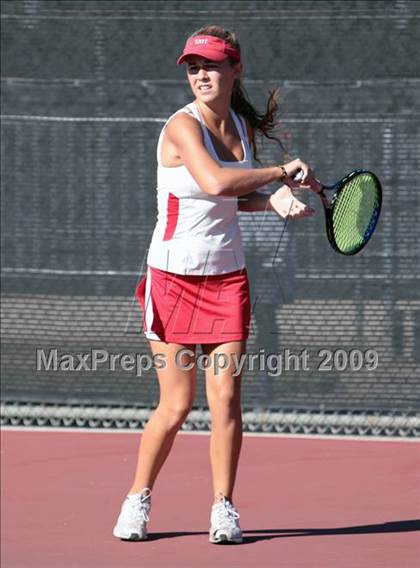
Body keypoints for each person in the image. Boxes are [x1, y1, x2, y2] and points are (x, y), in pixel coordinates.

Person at [113, 25, 316, 544]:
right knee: (177, 405)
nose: (201, 75)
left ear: (235, 69)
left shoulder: (242, 126)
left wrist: (270, 198)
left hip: (227, 278)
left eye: (212, 65)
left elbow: (228, 201)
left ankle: (224, 507)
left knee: (225, 398)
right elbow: (214, 183)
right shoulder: (182, 127)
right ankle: (137, 498)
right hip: (172, 280)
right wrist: (277, 174)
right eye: (193, 67)